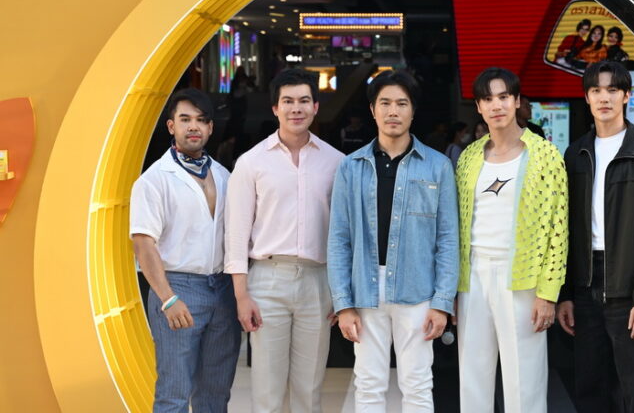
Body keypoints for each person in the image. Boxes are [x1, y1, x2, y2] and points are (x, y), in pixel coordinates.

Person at [328, 70, 459, 413]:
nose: (393, 111)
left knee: (417, 385)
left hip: (418, 290)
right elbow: (339, 239)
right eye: (385, 103)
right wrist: (343, 304)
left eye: (402, 103)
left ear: (413, 111)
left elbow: (448, 239)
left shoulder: (437, 166)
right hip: (365, 289)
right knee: (368, 384)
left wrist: (442, 301)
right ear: (373, 110)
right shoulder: (350, 167)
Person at [556, 61, 634, 413]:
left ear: (626, 96)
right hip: (586, 288)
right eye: (596, 90)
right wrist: (567, 295)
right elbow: (565, 229)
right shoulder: (576, 153)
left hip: (631, 286)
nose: (604, 98)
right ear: (586, 97)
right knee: (592, 391)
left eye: (612, 90)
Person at [224, 68, 344, 413]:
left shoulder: (337, 162)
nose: (296, 108)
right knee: (267, 389)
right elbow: (236, 232)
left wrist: (341, 293)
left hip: (318, 281)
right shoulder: (251, 162)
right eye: (288, 101)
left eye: (304, 100)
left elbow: (344, 234)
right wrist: (241, 295)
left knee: (310, 388)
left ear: (315, 107)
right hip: (267, 280)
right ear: (275, 108)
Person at [455, 67, 568, 413]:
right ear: (478, 107)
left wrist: (548, 293)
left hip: (523, 277)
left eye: (504, 97)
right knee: (472, 375)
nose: (496, 105)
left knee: (525, 378)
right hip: (473, 275)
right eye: (487, 99)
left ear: (517, 101)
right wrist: (452, 288)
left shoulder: (545, 154)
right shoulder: (469, 157)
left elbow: (558, 228)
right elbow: (456, 225)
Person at [130, 88, 240, 413]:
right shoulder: (154, 180)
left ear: (210, 128)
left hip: (222, 290)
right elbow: (143, 244)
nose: (194, 126)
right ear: (171, 126)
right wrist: (167, 298)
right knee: (174, 395)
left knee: (215, 396)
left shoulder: (224, 176)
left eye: (201, 120)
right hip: (178, 288)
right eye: (185, 119)